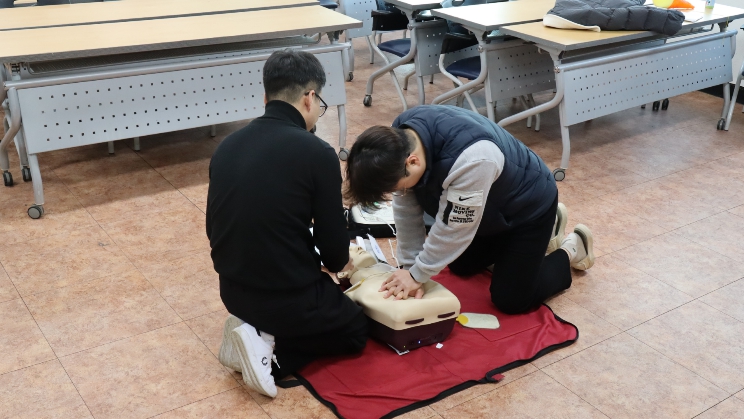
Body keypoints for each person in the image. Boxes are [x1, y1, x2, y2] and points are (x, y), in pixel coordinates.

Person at [207, 50, 367, 398]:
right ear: (310, 98)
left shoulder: (227, 146)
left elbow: (218, 225)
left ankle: (256, 330)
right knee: (355, 328)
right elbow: (333, 249)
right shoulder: (317, 153)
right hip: (283, 297)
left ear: (266, 97)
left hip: (231, 290)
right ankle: (270, 349)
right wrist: (342, 265)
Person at [343, 105, 595, 313]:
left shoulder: (473, 159)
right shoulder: (399, 139)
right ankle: (545, 236)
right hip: (492, 207)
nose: (400, 192)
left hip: (529, 208)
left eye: (398, 186)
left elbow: (454, 229)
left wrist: (417, 275)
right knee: (460, 264)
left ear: (413, 161)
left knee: (511, 299)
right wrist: (410, 268)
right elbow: (407, 210)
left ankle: (570, 248)